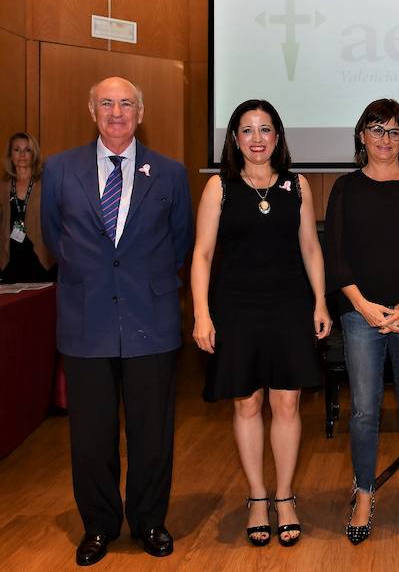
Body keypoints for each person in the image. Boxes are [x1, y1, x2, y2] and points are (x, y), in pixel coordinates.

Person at [41, 77, 193, 566]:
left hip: (151, 317)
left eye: (126, 103)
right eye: (106, 103)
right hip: (87, 322)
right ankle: (100, 526)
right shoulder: (61, 169)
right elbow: (53, 238)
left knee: (152, 434)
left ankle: (149, 520)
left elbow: (180, 242)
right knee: (90, 436)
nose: (116, 111)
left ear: (141, 112)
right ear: (91, 111)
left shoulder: (169, 173)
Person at [191, 99, 331, 548]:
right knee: (247, 404)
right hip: (235, 307)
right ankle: (257, 497)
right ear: (234, 138)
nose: (257, 138)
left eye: (265, 129)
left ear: (278, 137)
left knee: (287, 405)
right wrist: (201, 313)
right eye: (247, 130)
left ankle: (285, 497)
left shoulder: (298, 185)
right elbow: (203, 255)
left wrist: (321, 304)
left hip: (289, 305)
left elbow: (311, 248)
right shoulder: (219, 188)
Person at [324, 98, 399, 545]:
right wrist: (362, 305)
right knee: (364, 411)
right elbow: (334, 255)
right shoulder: (345, 188)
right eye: (377, 129)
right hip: (361, 316)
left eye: (394, 131)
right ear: (362, 135)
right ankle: (364, 493)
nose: (385, 139)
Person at [1, 132, 55, 283]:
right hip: (11, 257)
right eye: (17, 150)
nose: (22, 155)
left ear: (34, 154)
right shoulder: (3, 186)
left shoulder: (47, 183)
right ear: (10, 154)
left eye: (27, 150)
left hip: (41, 256)